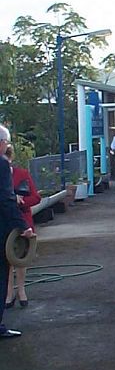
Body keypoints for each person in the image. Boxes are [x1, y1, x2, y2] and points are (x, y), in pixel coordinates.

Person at [0, 125, 34, 338]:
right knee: (2, 275)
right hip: (2, 229)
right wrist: (23, 226)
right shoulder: (2, 164)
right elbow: (5, 199)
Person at [5, 145, 40, 308]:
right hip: (5, 220)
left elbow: (36, 197)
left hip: (23, 219)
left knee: (21, 257)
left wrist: (22, 201)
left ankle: (21, 290)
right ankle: (8, 292)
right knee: (6, 258)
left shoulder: (22, 174)